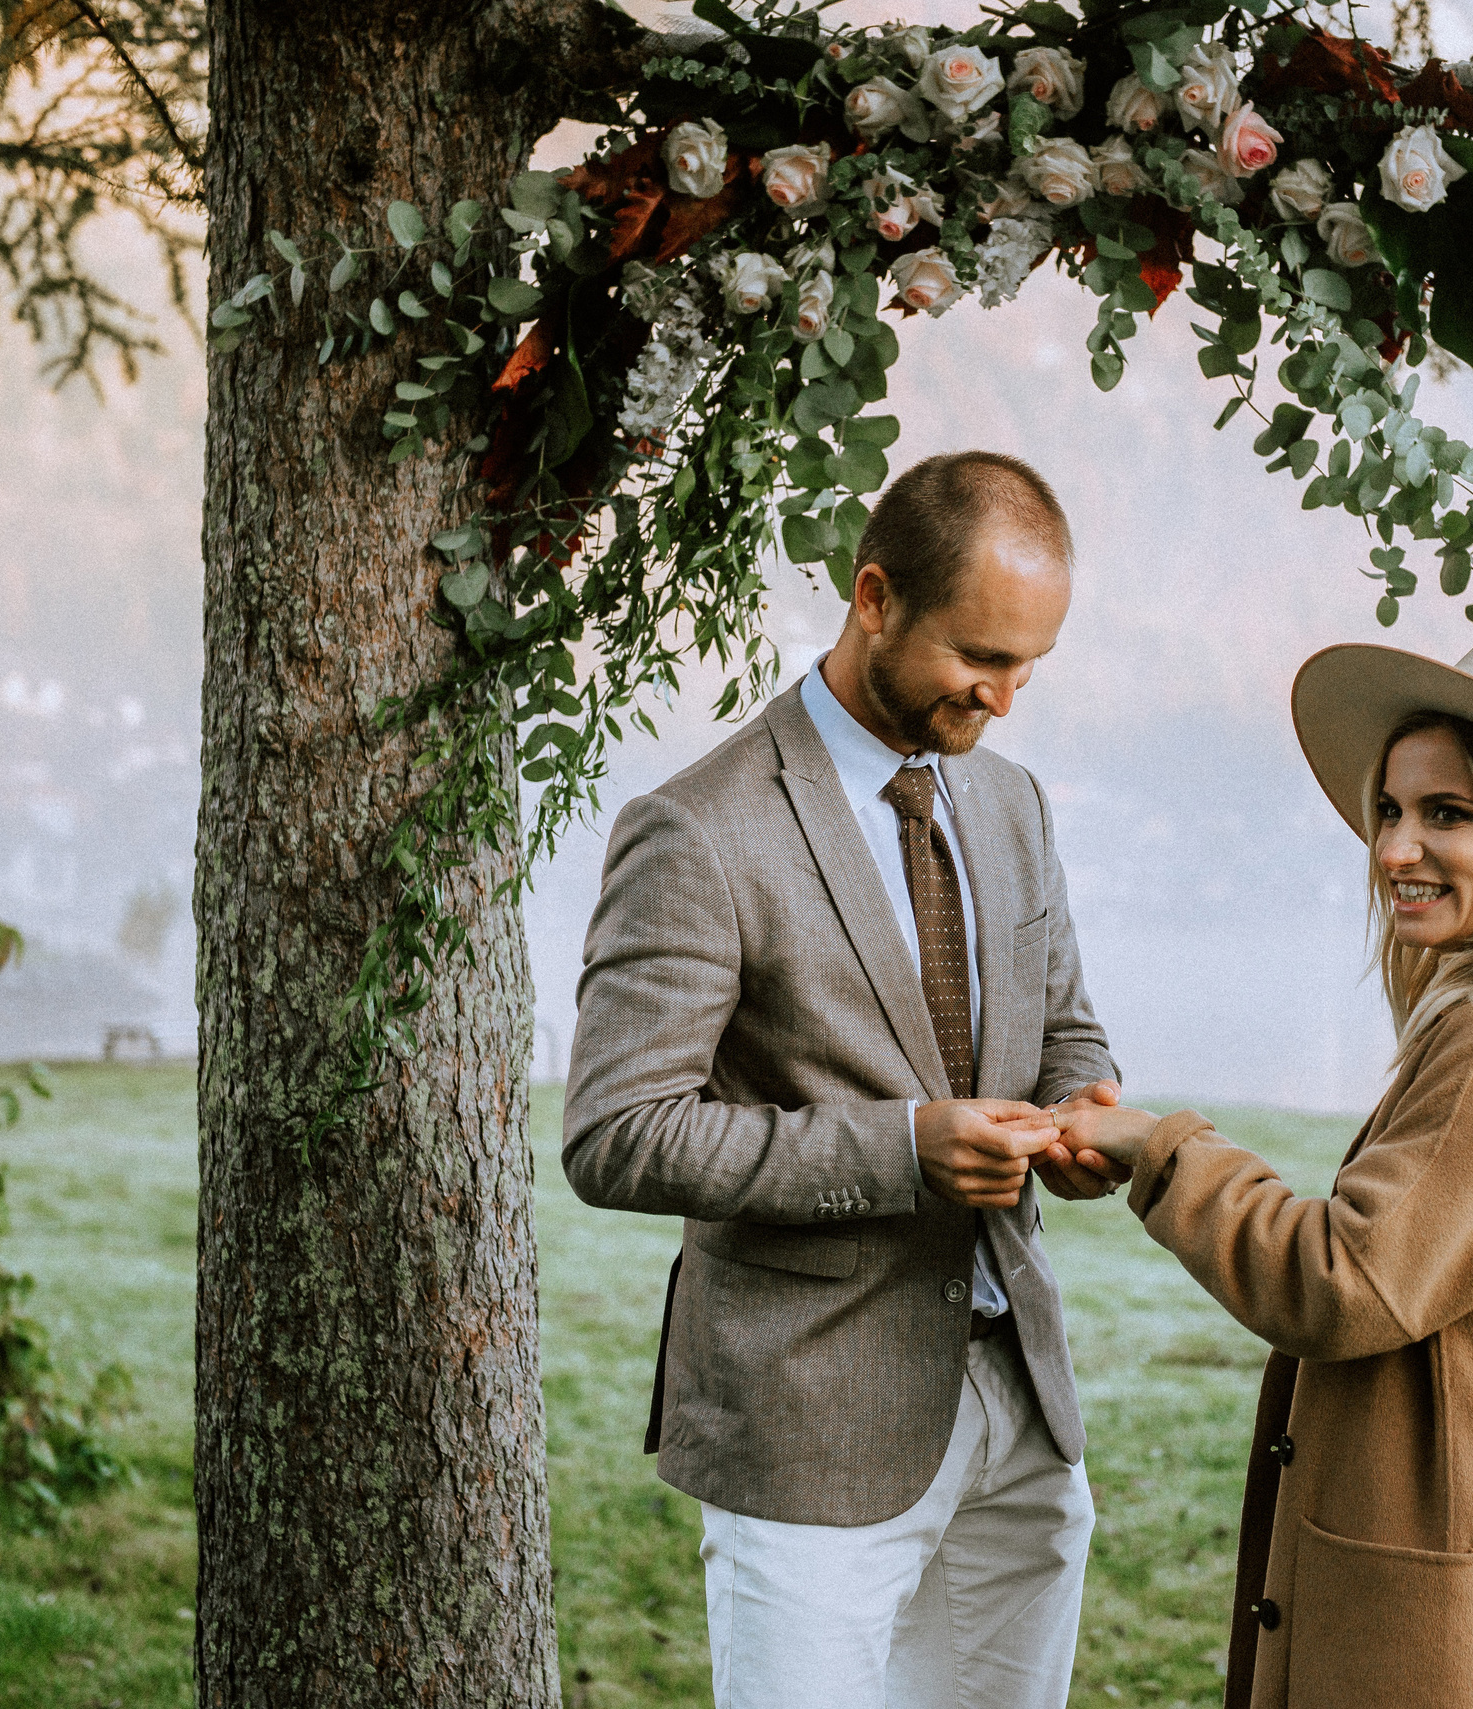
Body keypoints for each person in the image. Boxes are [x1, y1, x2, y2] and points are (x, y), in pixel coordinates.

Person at [563, 450, 1131, 1709]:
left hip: (1020, 1408)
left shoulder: (1012, 800)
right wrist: (902, 1146)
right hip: (809, 1423)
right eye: (979, 656)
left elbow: (1068, 1033)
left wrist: (1086, 1114)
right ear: (873, 598)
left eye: (1030, 663)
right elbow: (617, 1134)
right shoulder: (697, 828)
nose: (1004, 694)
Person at [1054, 638, 1473, 1709]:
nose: (1396, 846)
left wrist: (1152, 1145)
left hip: (1472, 1652)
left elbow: (1342, 1277)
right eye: (1390, 810)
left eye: (1447, 812)